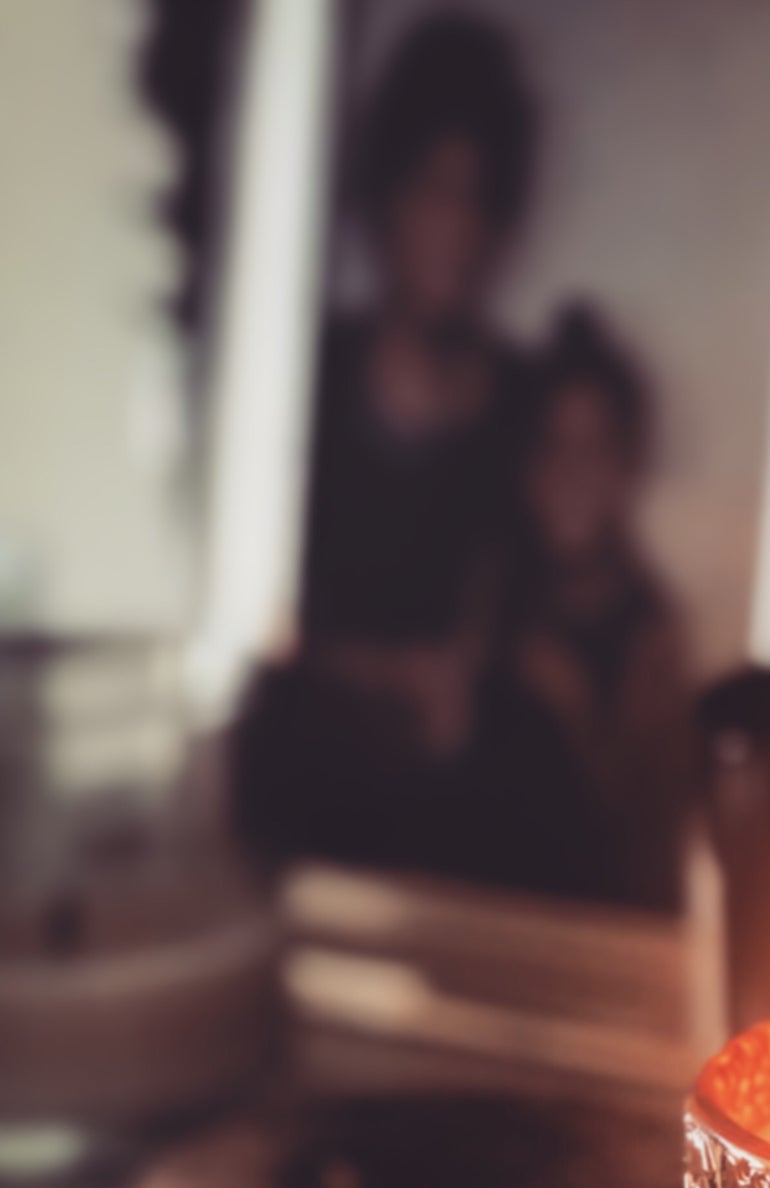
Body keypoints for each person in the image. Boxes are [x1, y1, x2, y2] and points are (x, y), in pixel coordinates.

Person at [237, 12, 535, 870]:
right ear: (385, 199)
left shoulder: (521, 405)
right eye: (435, 189)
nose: (457, 226)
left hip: (453, 853)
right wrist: (392, 678)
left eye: (479, 198)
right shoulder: (304, 382)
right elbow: (246, 633)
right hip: (295, 830)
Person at [460, 305, 688, 907]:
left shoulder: (651, 638)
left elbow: (649, 840)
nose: (572, 473)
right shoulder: (489, 604)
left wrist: (581, 717)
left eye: (594, 448)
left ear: (627, 466)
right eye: (553, 446)